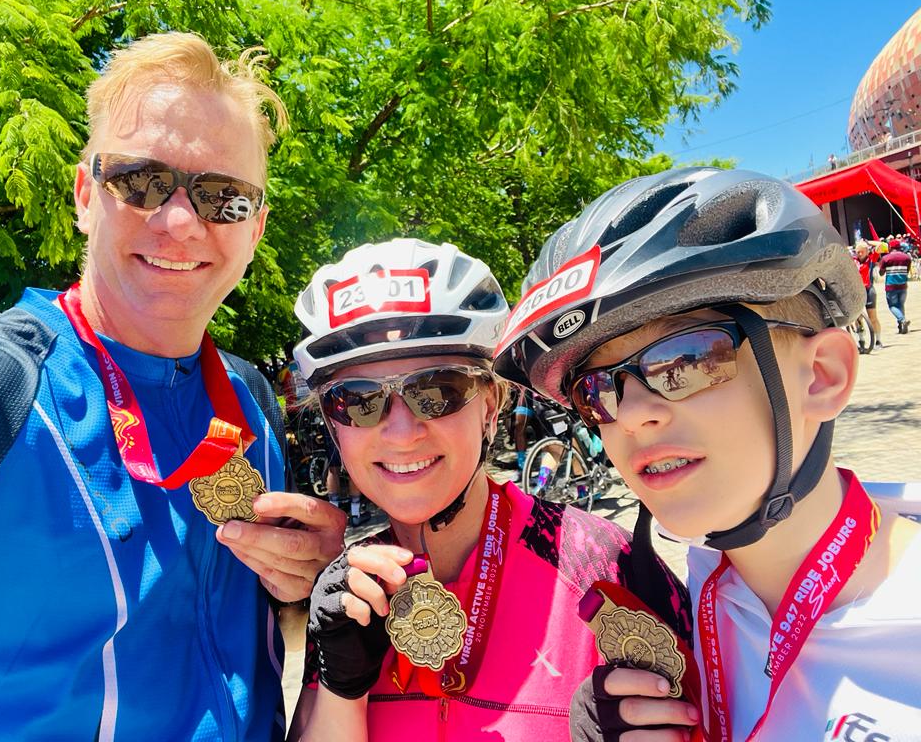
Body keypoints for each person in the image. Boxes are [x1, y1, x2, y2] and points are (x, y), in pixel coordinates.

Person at [0, 33, 347, 740]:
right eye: (138, 182)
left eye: (222, 197)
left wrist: (311, 579)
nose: (177, 221)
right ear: (84, 194)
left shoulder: (253, 403)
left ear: (255, 229)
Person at [494, 167, 921, 741]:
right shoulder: (696, 602)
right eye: (596, 389)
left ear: (821, 375)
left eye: (685, 360)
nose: (631, 413)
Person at [286, 239, 690, 741]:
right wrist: (343, 692)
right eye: (358, 400)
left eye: (437, 391)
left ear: (491, 404)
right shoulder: (346, 597)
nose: (400, 431)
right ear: (331, 422)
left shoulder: (606, 565)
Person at [853, 239, 884, 349]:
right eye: (857, 252)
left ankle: (878, 340)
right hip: (856, 292)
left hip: (869, 290)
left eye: (862, 251)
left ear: (867, 251)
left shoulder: (871, 259)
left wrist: (868, 242)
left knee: (872, 317)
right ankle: (861, 340)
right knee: (857, 318)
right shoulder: (853, 260)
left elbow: (881, 245)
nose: (859, 254)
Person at [879, 237, 912, 333]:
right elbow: (907, 270)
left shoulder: (886, 258)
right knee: (900, 304)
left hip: (891, 286)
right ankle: (902, 327)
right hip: (903, 285)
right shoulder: (907, 257)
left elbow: (881, 273)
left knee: (892, 306)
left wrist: (884, 267)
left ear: (890, 247)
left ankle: (902, 320)